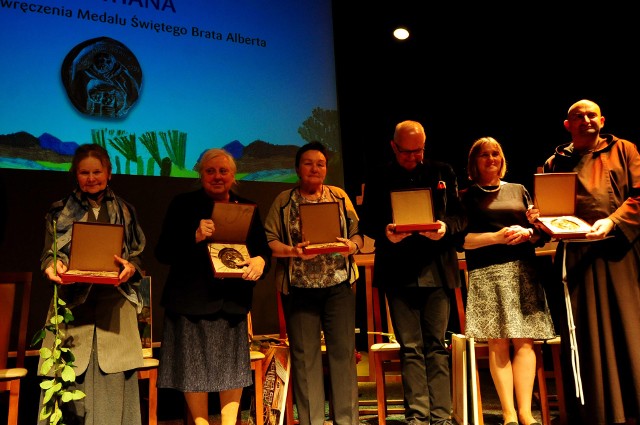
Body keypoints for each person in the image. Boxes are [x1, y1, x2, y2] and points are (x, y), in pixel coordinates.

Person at [532, 99, 640, 425]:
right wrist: (539, 219)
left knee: (628, 329)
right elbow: (550, 210)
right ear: (568, 125)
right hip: (576, 257)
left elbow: (638, 196)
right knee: (585, 335)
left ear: (602, 120)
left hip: (618, 253)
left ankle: (633, 407)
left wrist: (613, 222)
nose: (586, 120)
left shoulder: (625, 151)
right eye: (578, 116)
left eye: (591, 115)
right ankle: (595, 412)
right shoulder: (556, 162)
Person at [359, 120, 466, 425]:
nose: (412, 157)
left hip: (437, 268)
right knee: (411, 348)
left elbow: (459, 214)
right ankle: (417, 417)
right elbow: (366, 221)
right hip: (397, 270)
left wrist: (445, 228)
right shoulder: (379, 175)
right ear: (393, 147)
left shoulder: (442, 171)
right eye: (406, 152)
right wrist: (386, 232)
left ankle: (442, 416)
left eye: (417, 151)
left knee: (436, 345)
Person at [155, 148, 271, 425]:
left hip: (231, 302)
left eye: (223, 171)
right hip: (190, 303)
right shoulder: (183, 204)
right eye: (210, 171)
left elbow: (262, 251)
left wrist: (259, 262)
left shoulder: (248, 207)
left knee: (232, 370)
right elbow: (163, 252)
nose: (217, 176)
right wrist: (194, 236)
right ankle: (200, 422)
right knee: (193, 371)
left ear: (234, 176)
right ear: (200, 174)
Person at [38, 143, 147, 425]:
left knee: (114, 374)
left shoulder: (125, 211)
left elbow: (136, 254)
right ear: (76, 174)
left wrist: (130, 267)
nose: (91, 178)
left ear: (109, 173)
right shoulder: (58, 211)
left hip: (115, 306)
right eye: (84, 172)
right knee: (70, 376)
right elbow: (48, 254)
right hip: (73, 307)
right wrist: (53, 266)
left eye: (96, 171)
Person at [263, 141, 363, 425]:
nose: (315, 168)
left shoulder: (339, 197)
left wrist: (350, 248)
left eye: (320, 163)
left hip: (339, 287)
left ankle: (346, 421)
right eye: (308, 163)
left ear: (326, 169)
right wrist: (294, 251)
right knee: (306, 360)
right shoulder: (284, 201)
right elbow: (269, 240)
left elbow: (357, 234)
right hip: (299, 289)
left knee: (343, 356)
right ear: (297, 168)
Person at [459, 137, 555, 425]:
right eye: (484, 155)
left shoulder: (519, 190)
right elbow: (460, 241)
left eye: (496, 154)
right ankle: (508, 412)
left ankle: (525, 412)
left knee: (524, 342)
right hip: (486, 274)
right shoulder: (466, 197)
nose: (491, 159)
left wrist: (529, 233)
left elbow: (541, 233)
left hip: (522, 270)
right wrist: (496, 237)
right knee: (498, 343)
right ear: (474, 162)